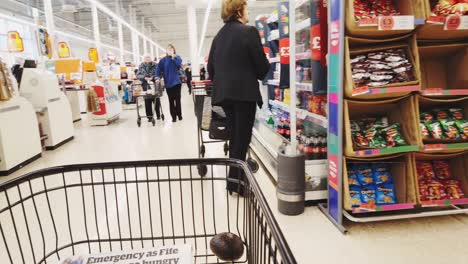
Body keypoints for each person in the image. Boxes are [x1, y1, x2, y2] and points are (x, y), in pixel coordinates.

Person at [208, 0, 269, 195]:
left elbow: (211, 70)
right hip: (244, 95)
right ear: (239, 10)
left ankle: (234, 182)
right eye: (247, 8)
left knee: (235, 137)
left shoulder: (218, 37)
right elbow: (262, 69)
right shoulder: (248, 32)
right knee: (242, 139)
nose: (248, 11)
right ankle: (237, 184)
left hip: (224, 96)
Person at [155, 44, 183, 122]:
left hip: (177, 83)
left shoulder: (177, 57)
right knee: (171, 101)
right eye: (168, 49)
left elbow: (178, 64)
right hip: (168, 84)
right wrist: (157, 77)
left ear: (174, 50)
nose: (170, 50)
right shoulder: (163, 60)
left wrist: (173, 56)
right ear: (166, 51)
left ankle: (179, 115)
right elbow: (158, 69)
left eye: (171, 49)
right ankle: (173, 117)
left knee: (177, 100)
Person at [137, 54, 161, 121]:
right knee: (147, 101)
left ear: (151, 58)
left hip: (154, 83)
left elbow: (159, 73)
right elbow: (138, 75)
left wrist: (153, 77)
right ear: (144, 59)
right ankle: (149, 117)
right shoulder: (141, 65)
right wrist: (144, 78)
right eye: (146, 58)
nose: (147, 59)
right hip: (145, 84)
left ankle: (158, 115)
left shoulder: (155, 65)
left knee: (156, 99)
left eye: (148, 57)